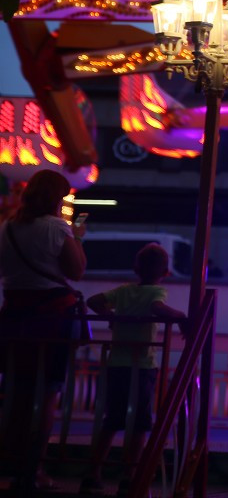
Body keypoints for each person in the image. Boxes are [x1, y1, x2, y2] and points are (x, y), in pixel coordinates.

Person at [0, 169, 87, 492]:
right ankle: (33, 469)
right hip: (53, 318)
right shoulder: (56, 228)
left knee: (15, 391)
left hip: (13, 315)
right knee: (48, 392)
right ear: (56, 198)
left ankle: (10, 462)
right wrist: (78, 236)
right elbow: (76, 270)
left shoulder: (8, 227)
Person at [81, 242, 187, 495]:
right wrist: (181, 317)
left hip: (117, 362)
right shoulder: (156, 292)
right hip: (142, 364)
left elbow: (93, 300)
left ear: (135, 268)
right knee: (140, 422)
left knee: (112, 419)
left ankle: (93, 473)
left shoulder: (124, 291)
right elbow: (157, 309)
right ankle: (130, 474)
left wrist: (112, 316)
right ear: (166, 272)